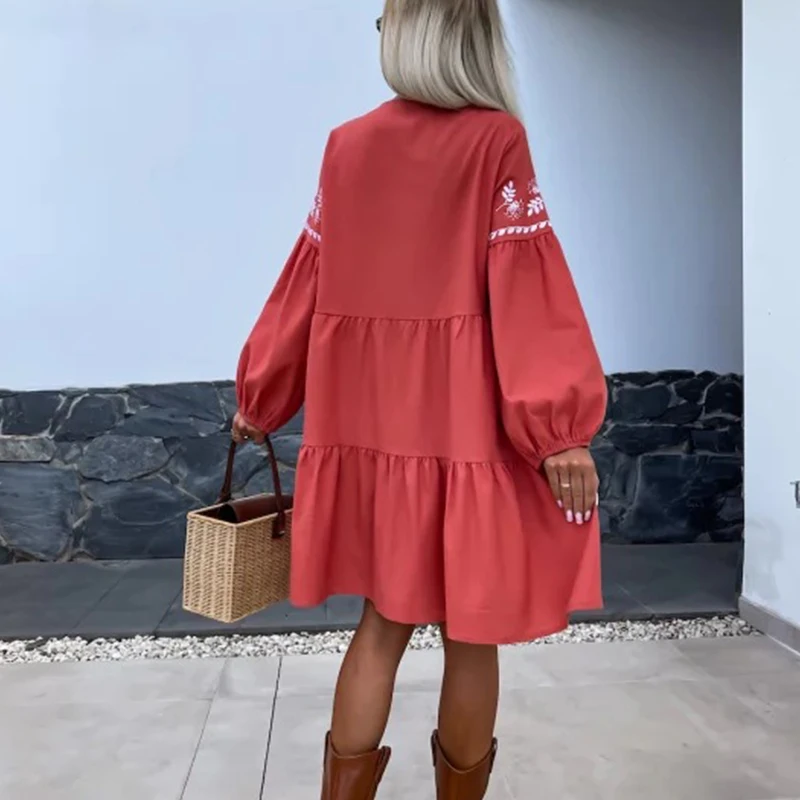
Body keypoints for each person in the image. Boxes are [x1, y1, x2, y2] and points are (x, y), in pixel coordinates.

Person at [232, 1, 606, 797]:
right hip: (466, 434)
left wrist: (262, 393)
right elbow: (527, 288)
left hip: (372, 434)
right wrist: (558, 427)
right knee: (473, 634)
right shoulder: (496, 140)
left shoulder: (348, 146)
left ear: (412, 34)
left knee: (381, 623)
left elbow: (305, 282)